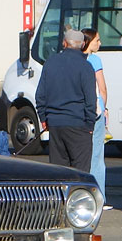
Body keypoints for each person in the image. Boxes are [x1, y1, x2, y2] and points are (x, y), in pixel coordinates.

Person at [34, 28, 97, 172]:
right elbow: (90, 100)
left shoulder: (50, 63)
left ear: (64, 43)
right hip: (78, 124)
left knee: (59, 172)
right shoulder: (85, 67)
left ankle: (60, 195)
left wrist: (44, 118)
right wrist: (89, 125)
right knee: (80, 173)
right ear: (82, 45)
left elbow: (40, 96)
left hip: (55, 124)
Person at [81, 28, 108, 197]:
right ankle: (99, 195)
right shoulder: (95, 60)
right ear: (88, 42)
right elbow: (102, 89)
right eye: (96, 40)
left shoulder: (75, 60)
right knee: (97, 155)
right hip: (95, 111)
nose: (100, 43)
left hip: (79, 112)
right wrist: (104, 108)